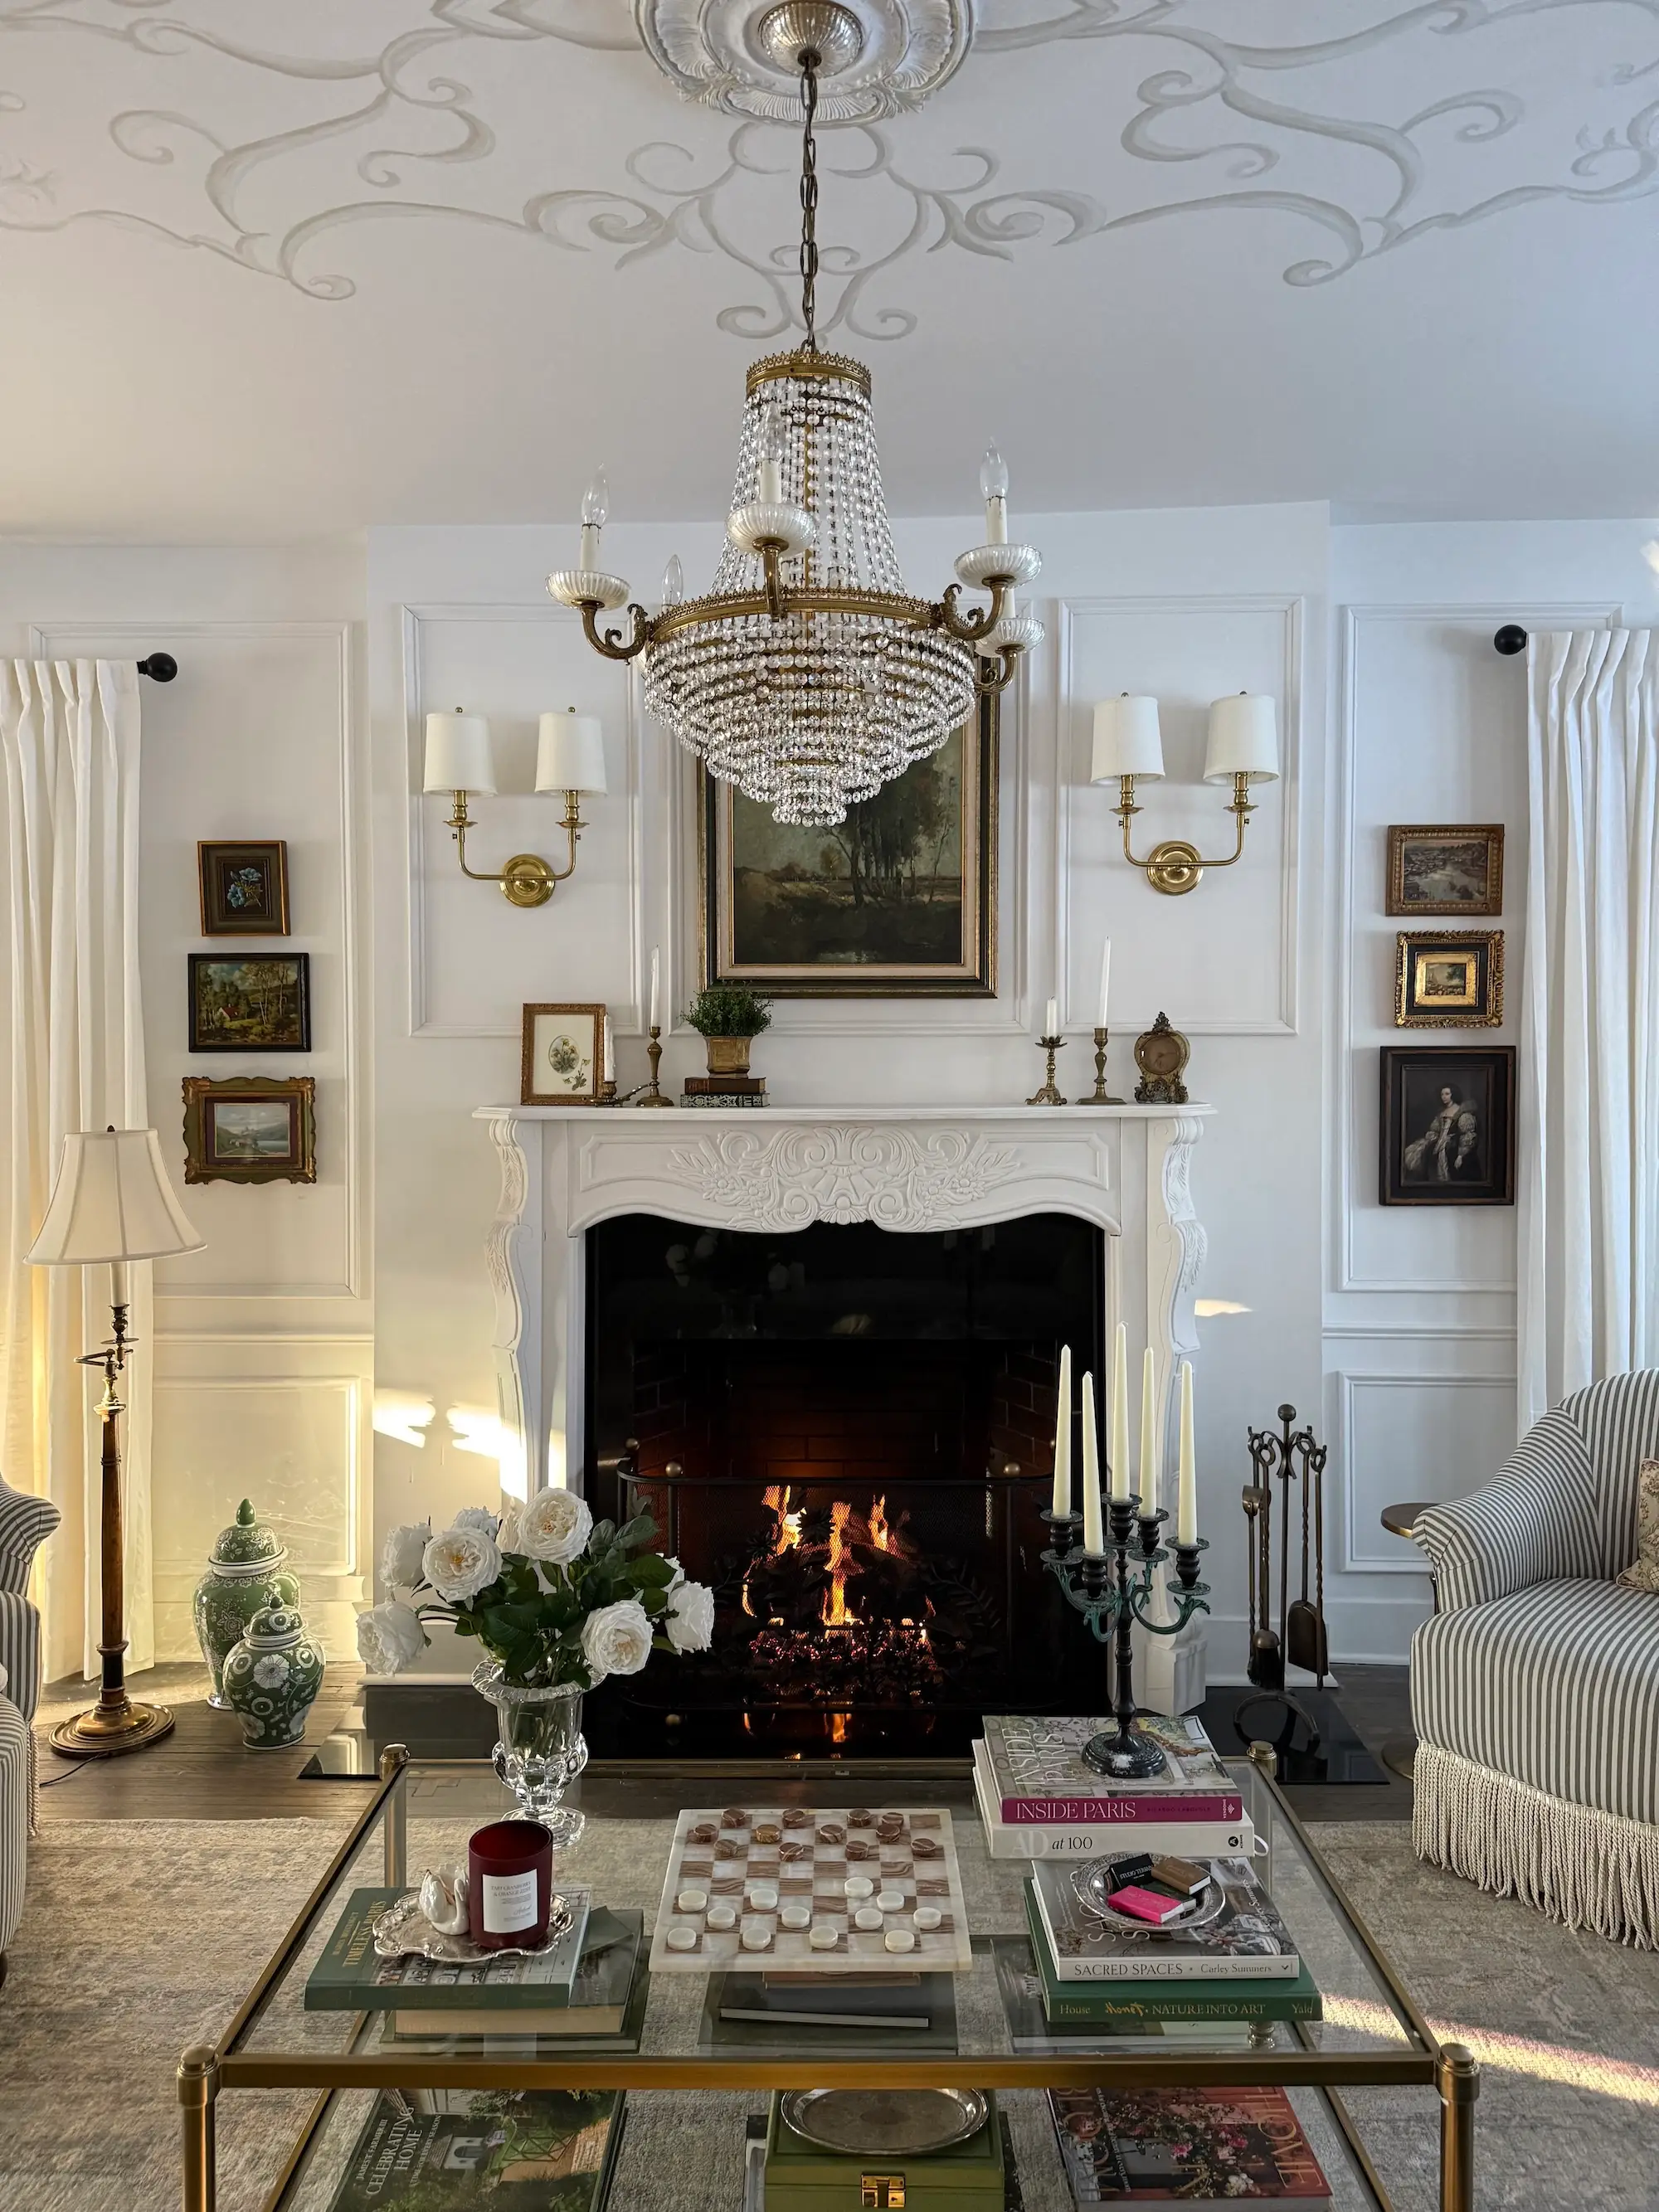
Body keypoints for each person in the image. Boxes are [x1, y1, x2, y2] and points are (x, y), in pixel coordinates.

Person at [1404, 1085, 1480, 1182]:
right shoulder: (1441, 1113)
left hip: (1454, 1147)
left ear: (1453, 1095)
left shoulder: (1462, 1112)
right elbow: (1435, 1130)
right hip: (1440, 1145)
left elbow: (1467, 1135)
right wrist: (1433, 1136)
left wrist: (1461, 1155)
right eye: (1442, 1094)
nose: (1444, 1096)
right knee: (1426, 1154)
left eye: (1447, 1094)